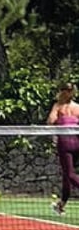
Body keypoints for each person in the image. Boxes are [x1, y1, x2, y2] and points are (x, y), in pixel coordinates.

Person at [46, 81, 79, 215]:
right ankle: (61, 205)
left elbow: (50, 121)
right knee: (66, 176)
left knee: (70, 175)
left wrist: (57, 109)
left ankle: (61, 205)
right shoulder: (76, 107)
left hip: (66, 144)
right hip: (73, 143)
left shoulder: (59, 107)